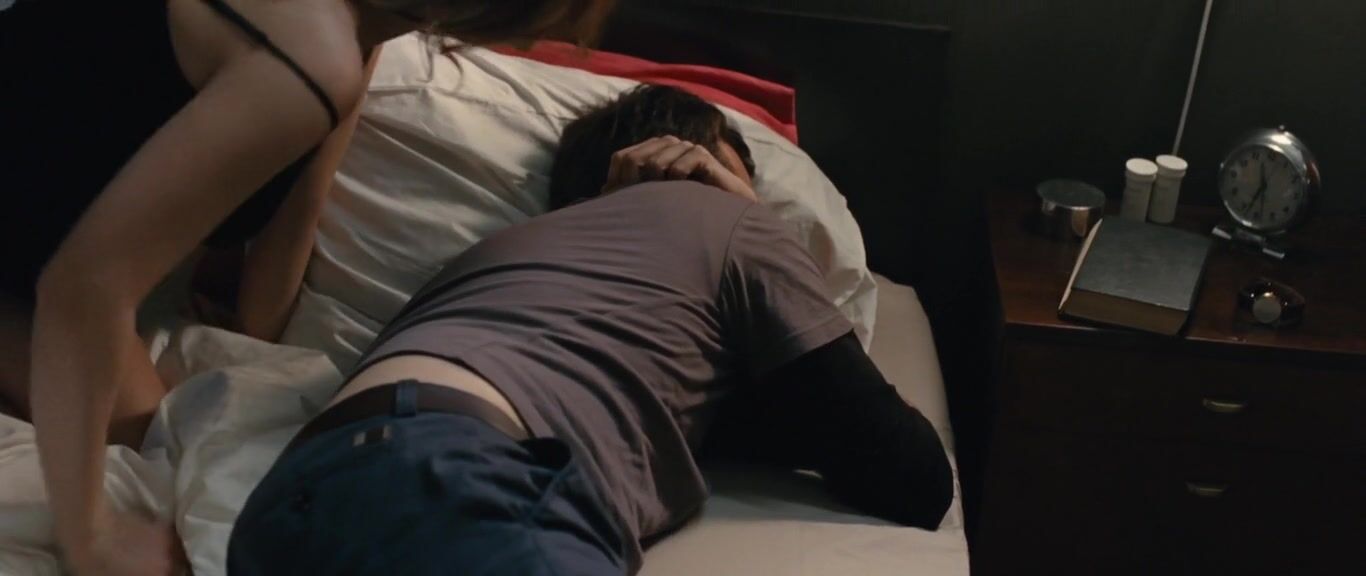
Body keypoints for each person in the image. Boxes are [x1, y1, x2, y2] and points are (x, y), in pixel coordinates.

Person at [227, 85, 954, 576]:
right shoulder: (726, 219)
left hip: (289, 501)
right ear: (709, 168)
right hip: (463, 480)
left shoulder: (490, 259)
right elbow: (911, 475)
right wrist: (750, 217)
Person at [0, 1, 614, 574]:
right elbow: (85, 285)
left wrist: (255, 347)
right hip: (42, 269)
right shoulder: (311, 60)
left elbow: (297, 210)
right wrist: (90, 536)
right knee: (164, 468)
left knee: (183, 438)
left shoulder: (351, 40)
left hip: (37, 250)